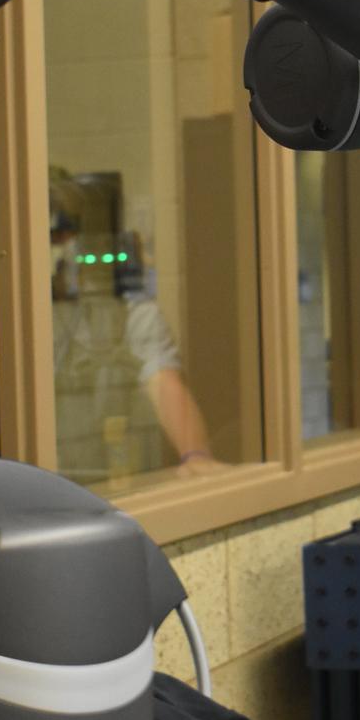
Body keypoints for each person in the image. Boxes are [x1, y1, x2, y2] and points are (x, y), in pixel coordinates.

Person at [49, 168, 222, 484]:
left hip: (99, 479)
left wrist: (195, 455)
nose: (78, 247)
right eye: (64, 230)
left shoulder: (134, 315)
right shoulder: (20, 319)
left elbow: (163, 381)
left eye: (88, 232)